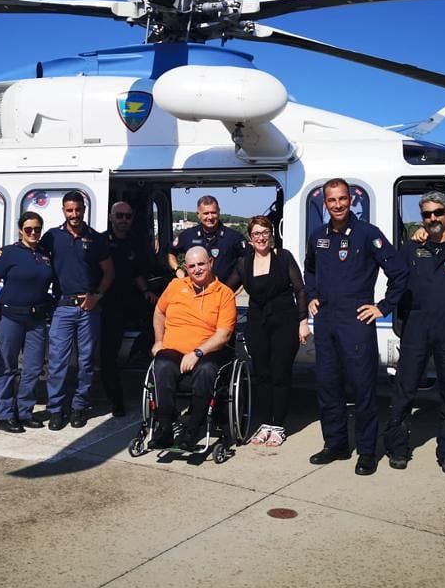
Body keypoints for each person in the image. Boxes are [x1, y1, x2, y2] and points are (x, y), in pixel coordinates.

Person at [304, 178, 407, 475]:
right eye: (331, 200)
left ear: (351, 200)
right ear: (325, 203)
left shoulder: (368, 234)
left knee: (363, 390)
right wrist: (311, 295)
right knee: (328, 387)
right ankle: (335, 444)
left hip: (356, 322)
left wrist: (382, 307)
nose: (337, 205)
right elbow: (309, 269)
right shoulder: (318, 236)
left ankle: (366, 451)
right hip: (326, 322)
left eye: (342, 199)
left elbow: (399, 272)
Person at [383, 192, 445, 474]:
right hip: (416, 327)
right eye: (427, 214)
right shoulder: (411, 248)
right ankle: (398, 448)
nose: (433, 218)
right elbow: (397, 285)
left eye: (438, 212)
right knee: (404, 390)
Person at [225, 216, 309, 446]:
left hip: (285, 322)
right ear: (250, 238)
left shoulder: (283, 257)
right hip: (257, 324)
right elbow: (225, 290)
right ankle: (265, 424)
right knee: (262, 376)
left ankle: (278, 426)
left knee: (280, 374)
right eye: (256, 234)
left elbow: (300, 290)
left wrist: (303, 321)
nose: (261, 238)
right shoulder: (244, 263)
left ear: (271, 234)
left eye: (264, 233)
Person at [38, 191, 113, 430]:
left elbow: (109, 272)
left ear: (84, 210)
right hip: (62, 307)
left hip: (89, 307)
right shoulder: (52, 237)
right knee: (57, 362)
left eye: (78, 209)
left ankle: (79, 406)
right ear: (63, 211)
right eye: (69, 210)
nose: (74, 214)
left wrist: (97, 296)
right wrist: (3, 252)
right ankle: (56, 409)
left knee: (86, 361)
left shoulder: (95, 238)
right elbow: (31, 253)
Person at [150, 246, 237, 451]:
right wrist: (158, 341)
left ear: (211, 263)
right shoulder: (175, 286)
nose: (197, 269)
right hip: (174, 349)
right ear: (186, 268)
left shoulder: (224, 294)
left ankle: (192, 429)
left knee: (206, 370)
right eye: (191, 266)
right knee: (161, 364)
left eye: (201, 264)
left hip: (208, 352)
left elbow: (223, 335)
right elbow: (159, 312)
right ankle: (165, 428)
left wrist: (197, 353)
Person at [0, 211, 54, 434]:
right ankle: (4, 415)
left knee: (33, 368)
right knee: (7, 366)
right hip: (10, 318)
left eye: (37, 229)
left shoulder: (45, 254)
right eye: (28, 229)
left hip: (36, 320)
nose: (33, 233)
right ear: (21, 230)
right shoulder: (7, 253)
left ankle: (24, 412)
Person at [100, 201, 159, 417]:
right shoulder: (101, 241)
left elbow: (137, 272)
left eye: (128, 216)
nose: (124, 220)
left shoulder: (135, 242)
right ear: (111, 217)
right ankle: (116, 400)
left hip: (131, 298)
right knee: (108, 355)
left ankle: (144, 360)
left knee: (155, 326)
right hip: (108, 302)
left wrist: (147, 292)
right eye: (120, 216)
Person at [169, 195, 246, 288]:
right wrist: (178, 270)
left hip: (224, 292)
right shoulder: (188, 235)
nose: (210, 217)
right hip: (194, 292)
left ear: (219, 212)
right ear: (198, 215)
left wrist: (231, 287)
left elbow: (247, 261)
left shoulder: (234, 237)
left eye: (213, 212)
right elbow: (170, 253)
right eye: (206, 213)